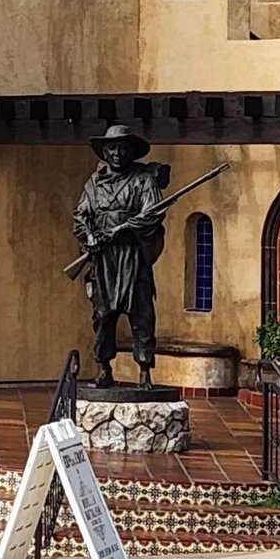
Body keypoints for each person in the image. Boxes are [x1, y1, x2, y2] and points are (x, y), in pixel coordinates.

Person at [72, 126, 170, 390]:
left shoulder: (143, 180)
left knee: (141, 314)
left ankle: (145, 373)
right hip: (104, 259)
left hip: (132, 256)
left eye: (123, 148)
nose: (117, 153)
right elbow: (81, 216)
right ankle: (104, 369)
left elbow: (153, 214)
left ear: (132, 151)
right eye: (112, 148)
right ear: (105, 152)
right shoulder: (93, 184)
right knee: (103, 315)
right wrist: (90, 236)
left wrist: (125, 228)